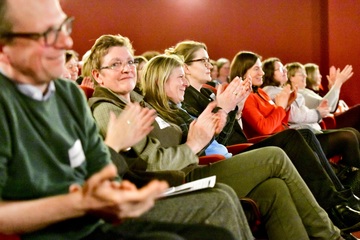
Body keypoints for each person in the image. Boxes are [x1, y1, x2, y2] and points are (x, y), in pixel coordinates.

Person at [0, 1, 250, 239]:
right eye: (47, 33)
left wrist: (123, 192)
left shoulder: (68, 96)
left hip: (97, 220)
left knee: (215, 234)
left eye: (64, 27)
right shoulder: (8, 106)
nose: (66, 41)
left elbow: (102, 170)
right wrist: (81, 201)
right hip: (61, 231)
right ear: (5, 47)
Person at [85, 34, 345, 239]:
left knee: (273, 189)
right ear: (97, 75)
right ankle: (331, 235)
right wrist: (195, 141)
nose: (127, 69)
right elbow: (152, 163)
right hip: (178, 178)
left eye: (129, 62)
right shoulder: (109, 110)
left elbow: (191, 135)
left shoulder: (139, 103)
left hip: (192, 165)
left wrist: (220, 115)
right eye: (115, 64)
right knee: (276, 156)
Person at [169, 39, 360, 221]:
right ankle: (336, 205)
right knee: (299, 137)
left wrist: (236, 108)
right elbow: (219, 139)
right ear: (186, 67)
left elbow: (227, 130)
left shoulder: (207, 92)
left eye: (208, 60)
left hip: (240, 146)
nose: (209, 65)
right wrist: (233, 108)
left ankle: (341, 200)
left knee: (306, 134)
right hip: (231, 154)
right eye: (203, 60)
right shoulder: (185, 99)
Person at [304, 63, 360, 132]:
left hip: (331, 120)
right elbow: (327, 106)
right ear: (310, 76)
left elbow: (333, 108)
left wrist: (332, 88)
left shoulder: (319, 92)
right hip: (327, 124)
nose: (320, 76)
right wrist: (337, 83)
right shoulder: (306, 92)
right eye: (318, 74)